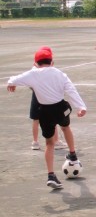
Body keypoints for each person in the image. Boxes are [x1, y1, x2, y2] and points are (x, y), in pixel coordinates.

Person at [7, 47, 87, 189]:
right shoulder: (60, 74)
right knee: (65, 127)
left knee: (49, 143)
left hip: (44, 111)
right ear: (52, 62)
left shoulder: (33, 74)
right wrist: (81, 107)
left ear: (35, 63)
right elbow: (71, 90)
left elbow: (14, 79)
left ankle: (51, 175)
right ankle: (73, 154)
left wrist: (11, 83)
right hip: (60, 108)